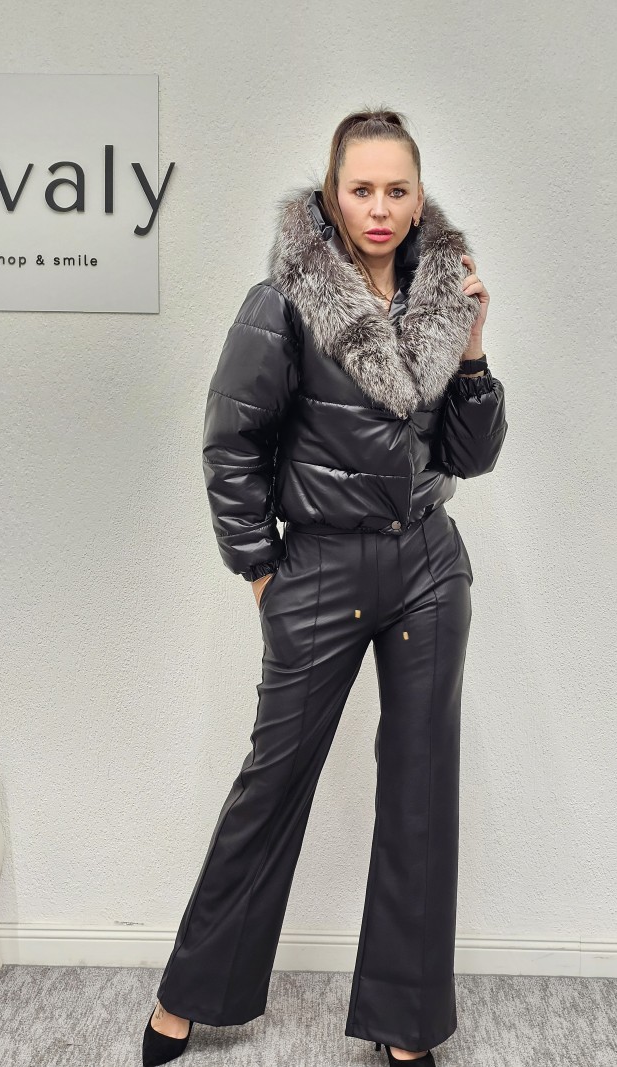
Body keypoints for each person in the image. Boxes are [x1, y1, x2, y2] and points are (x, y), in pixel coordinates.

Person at [142, 107, 508, 1067]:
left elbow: (471, 455)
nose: (379, 208)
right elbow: (230, 440)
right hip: (319, 569)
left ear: (418, 198)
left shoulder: (443, 297)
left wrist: (473, 351)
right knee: (273, 782)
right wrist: (260, 567)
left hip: (428, 567)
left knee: (421, 792)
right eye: (361, 189)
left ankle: (405, 1024)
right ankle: (191, 992)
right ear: (332, 194)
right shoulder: (284, 299)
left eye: (397, 190)